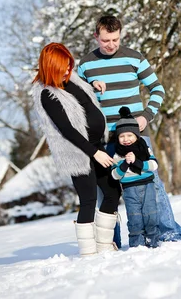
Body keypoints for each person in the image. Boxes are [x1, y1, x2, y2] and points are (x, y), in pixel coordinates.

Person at [78, 14, 181, 243]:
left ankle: (168, 232)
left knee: (152, 184)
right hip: (104, 140)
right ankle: (110, 242)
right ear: (96, 36)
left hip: (137, 136)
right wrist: (89, 88)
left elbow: (157, 89)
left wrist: (146, 115)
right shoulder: (85, 64)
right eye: (106, 40)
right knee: (107, 192)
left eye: (115, 39)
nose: (111, 45)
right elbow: (76, 98)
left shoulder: (135, 58)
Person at [32, 42, 121, 257]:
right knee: (89, 199)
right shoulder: (47, 94)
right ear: (50, 67)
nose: (66, 70)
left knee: (112, 191)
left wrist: (93, 83)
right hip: (79, 153)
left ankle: (104, 244)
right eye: (62, 67)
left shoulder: (71, 80)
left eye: (69, 65)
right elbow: (67, 130)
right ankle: (89, 253)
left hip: (96, 146)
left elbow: (83, 98)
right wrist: (95, 153)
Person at [111, 107, 159, 248]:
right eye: (122, 136)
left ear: (136, 135)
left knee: (151, 215)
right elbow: (115, 175)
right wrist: (125, 163)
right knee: (135, 219)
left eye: (129, 135)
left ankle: (153, 241)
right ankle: (137, 245)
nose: (126, 139)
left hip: (147, 186)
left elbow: (154, 165)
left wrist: (137, 162)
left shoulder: (144, 149)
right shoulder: (118, 154)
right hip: (129, 190)